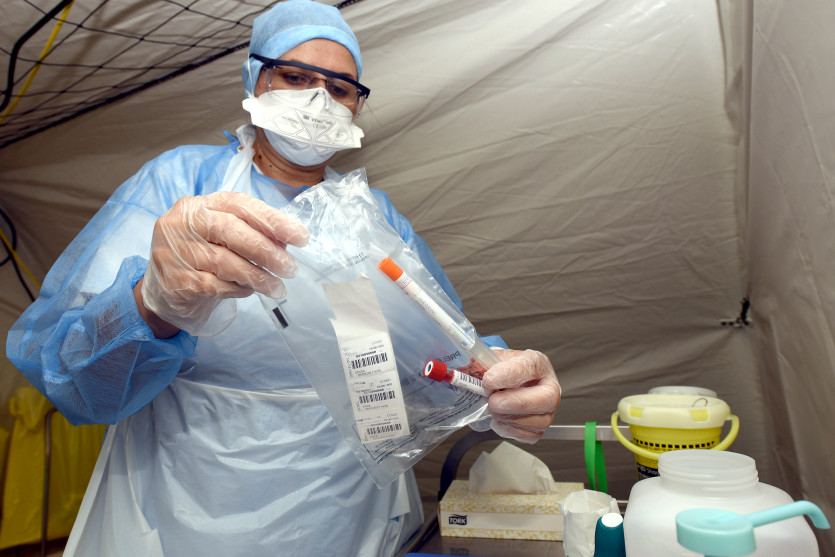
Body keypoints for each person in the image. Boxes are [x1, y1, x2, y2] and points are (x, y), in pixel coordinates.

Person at [6, 1, 561, 555]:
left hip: (347, 502)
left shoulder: (371, 217)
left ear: (357, 106)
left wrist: (504, 384)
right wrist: (150, 304)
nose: (319, 98)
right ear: (255, 77)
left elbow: (439, 355)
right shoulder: (181, 183)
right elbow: (73, 383)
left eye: (340, 88)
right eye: (295, 77)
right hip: (185, 496)